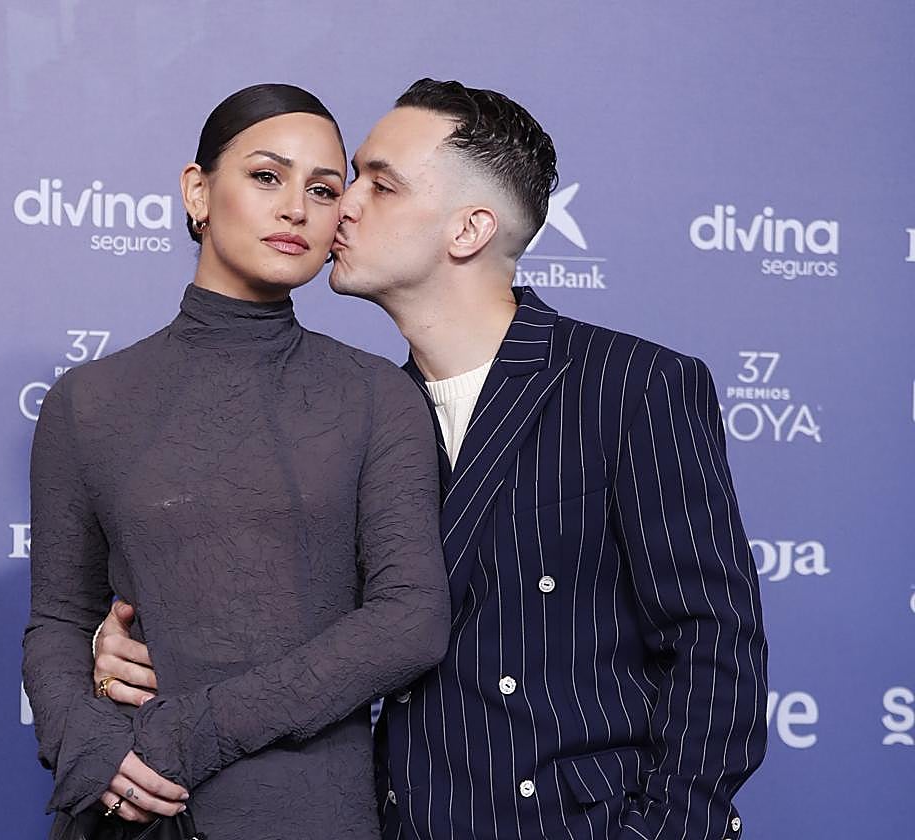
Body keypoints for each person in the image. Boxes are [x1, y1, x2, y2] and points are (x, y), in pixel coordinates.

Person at [95, 79, 768, 840]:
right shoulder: (358, 412)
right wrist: (120, 646)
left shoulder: (630, 385)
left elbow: (714, 645)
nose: (341, 205)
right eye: (351, 179)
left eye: (379, 185)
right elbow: (289, 625)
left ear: (468, 230)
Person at [23, 83, 450, 840]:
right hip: (131, 807)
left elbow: (409, 620)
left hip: (305, 811)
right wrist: (87, 746)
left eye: (323, 190)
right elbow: (60, 618)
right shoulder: (88, 400)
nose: (295, 209)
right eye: (266, 176)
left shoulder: (376, 395)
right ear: (198, 191)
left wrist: (187, 735)